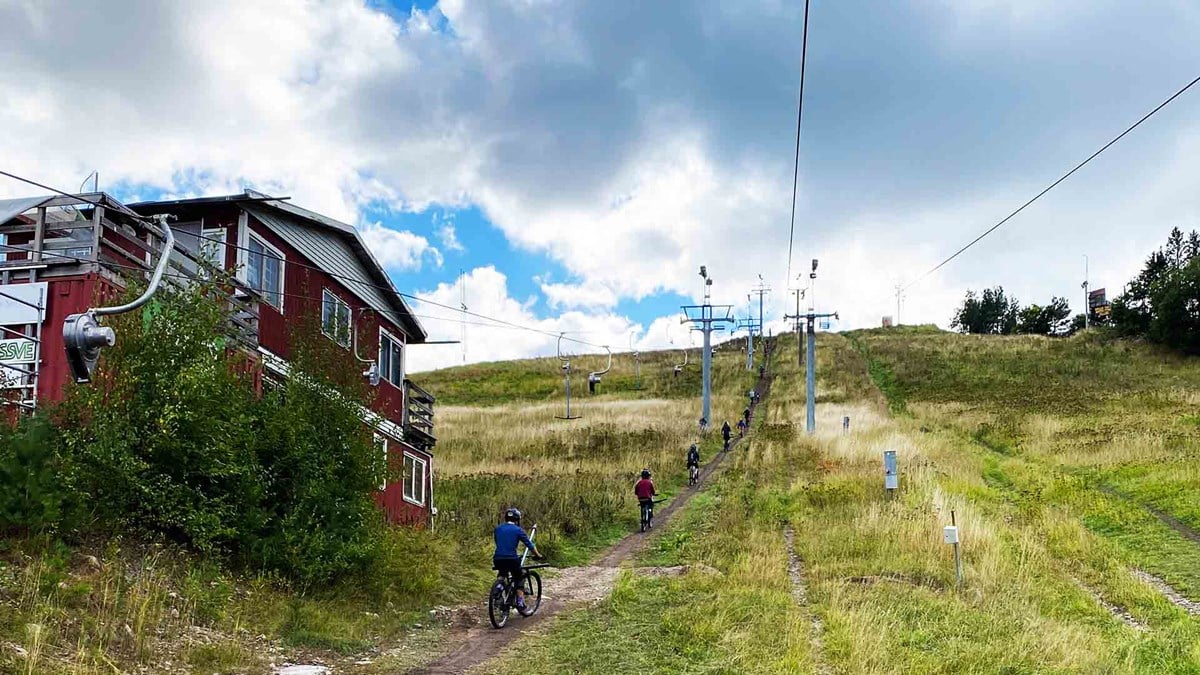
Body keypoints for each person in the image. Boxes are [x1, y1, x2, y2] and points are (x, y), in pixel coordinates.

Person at [493, 508, 542, 611]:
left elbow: (498, 543)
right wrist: (538, 555)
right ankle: (520, 601)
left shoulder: (498, 529)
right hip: (511, 558)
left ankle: (499, 587)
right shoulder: (518, 530)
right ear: (517, 519)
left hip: (498, 558)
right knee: (520, 576)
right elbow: (529, 545)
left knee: (502, 574)